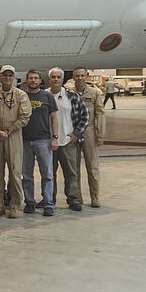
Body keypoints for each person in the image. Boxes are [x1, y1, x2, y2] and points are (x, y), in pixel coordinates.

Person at [0, 65, 32, 219]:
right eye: (4, 75)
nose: (7, 78)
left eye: (10, 75)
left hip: (13, 136)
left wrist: (8, 131)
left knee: (15, 172)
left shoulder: (21, 95)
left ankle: (15, 204)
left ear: (13, 77)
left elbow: (25, 117)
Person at [47, 67, 88, 211]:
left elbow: (85, 115)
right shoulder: (44, 95)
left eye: (58, 77)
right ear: (49, 79)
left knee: (71, 173)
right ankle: (49, 199)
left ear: (62, 79)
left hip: (67, 142)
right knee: (49, 173)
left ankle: (73, 199)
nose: (56, 79)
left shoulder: (72, 96)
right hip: (48, 143)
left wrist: (77, 133)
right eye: (53, 77)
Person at [66, 67, 105, 207]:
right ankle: (77, 197)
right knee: (73, 167)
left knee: (92, 166)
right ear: (73, 77)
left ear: (87, 76)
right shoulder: (68, 93)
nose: (80, 78)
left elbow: (100, 114)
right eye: (77, 76)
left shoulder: (94, 92)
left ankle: (95, 196)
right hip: (73, 132)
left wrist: (100, 134)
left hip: (89, 131)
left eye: (82, 75)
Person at [21, 70, 58, 217]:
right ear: (27, 80)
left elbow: (54, 118)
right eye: (30, 78)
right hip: (24, 140)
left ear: (40, 81)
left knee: (47, 174)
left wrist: (55, 137)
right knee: (26, 174)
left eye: (36, 78)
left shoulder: (47, 96)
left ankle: (48, 203)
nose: (33, 80)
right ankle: (30, 202)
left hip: (43, 140)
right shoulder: (22, 95)